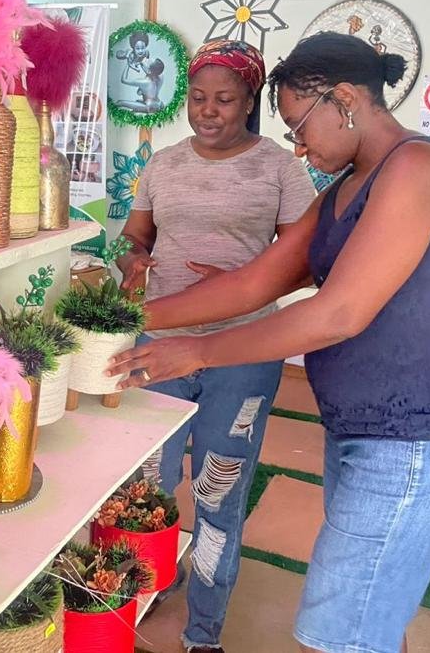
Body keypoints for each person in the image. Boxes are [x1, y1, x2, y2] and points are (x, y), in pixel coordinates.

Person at [108, 31, 430, 653]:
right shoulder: (345, 188)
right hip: (362, 432)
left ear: (343, 99)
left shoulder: (416, 167)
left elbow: (338, 312)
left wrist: (202, 350)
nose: (299, 145)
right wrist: (132, 318)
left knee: (341, 633)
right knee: (355, 630)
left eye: (299, 125)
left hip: (418, 440)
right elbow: (257, 281)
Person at [116, 38, 315, 653]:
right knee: (145, 485)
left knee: (218, 494)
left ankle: (204, 633)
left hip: (243, 353)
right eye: (198, 98)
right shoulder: (165, 163)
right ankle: (143, 586)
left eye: (225, 99)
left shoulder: (280, 167)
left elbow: (303, 264)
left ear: (249, 100)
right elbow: (136, 235)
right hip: (161, 348)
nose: (208, 110)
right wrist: (133, 262)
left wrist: (237, 285)